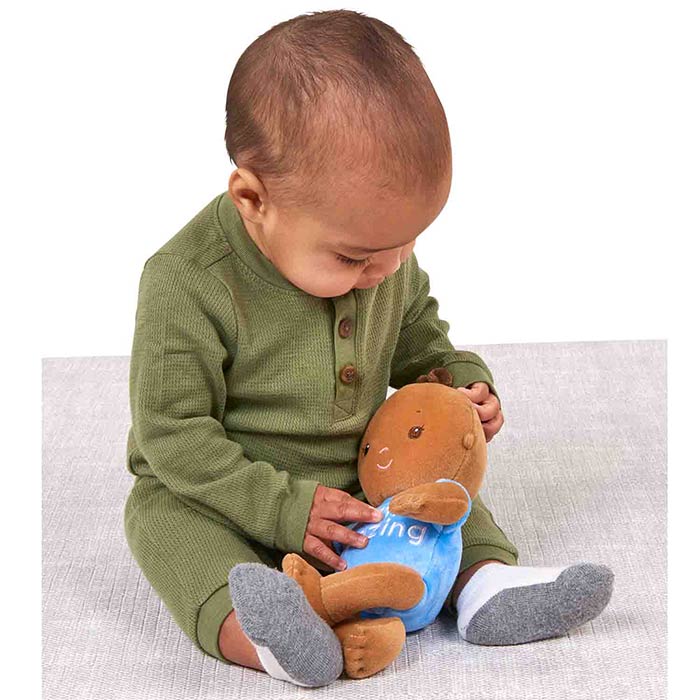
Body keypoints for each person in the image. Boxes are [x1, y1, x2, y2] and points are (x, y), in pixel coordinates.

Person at [123, 9, 613, 688]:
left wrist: (461, 385)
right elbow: (172, 436)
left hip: (360, 483)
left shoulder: (381, 257)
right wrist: (282, 508)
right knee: (164, 523)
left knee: (434, 488)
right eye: (355, 257)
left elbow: (422, 345)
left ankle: (483, 584)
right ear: (253, 199)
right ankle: (263, 636)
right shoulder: (186, 282)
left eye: (406, 244)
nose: (386, 270)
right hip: (224, 491)